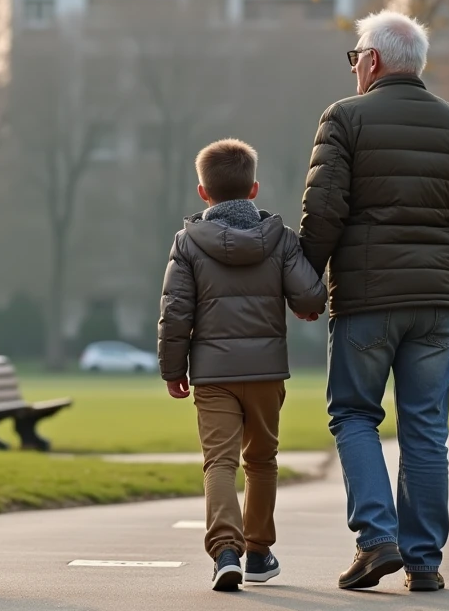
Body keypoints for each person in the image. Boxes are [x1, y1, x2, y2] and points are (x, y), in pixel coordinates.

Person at [299, 11, 449, 593]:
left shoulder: (344, 118)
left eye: (356, 55)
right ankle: (424, 561)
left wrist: (307, 287)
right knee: (425, 428)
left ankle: (375, 540)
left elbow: (324, 213)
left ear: (374, 60)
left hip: (366, 301)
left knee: (355, 414)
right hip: (438, 304)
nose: (355, 65)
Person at [158, 139, 328, 592]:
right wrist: (303, 305)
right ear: (254, 189)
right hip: (267, 371)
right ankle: (257, 552)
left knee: (219, 462)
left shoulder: (188, 242)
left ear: (202, 193)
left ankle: (225, 551)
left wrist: (173, 368)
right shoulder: (279, 238)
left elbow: (176, 311)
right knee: (262, 460)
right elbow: (311, 296)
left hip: (213, 375)